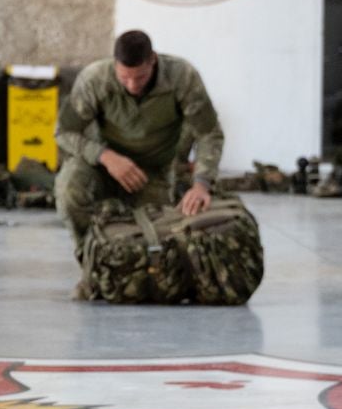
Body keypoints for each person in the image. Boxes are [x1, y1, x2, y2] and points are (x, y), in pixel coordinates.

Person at [54, 30, 224, 256]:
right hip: (102, 165)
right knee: (70, 192)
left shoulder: (182, 77)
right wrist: (105, 157)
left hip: (154, 171)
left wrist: (201, 185)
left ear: (153, 60)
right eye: (124, 78)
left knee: (157, 240)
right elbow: (64, 132)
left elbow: (209, 133)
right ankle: (91, 261)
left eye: (140, 77)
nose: (132, 85)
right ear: (115, 64)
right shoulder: (95, 79)